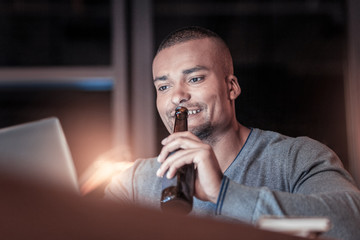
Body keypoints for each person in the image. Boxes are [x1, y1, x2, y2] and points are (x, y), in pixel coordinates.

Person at [105, 26, 360, 239]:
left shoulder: (296, 159)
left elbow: (352, 223)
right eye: (163, 86)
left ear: (231, 87)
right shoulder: (133, 183)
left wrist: (224, 193)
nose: (177, 97)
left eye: (195, 79)